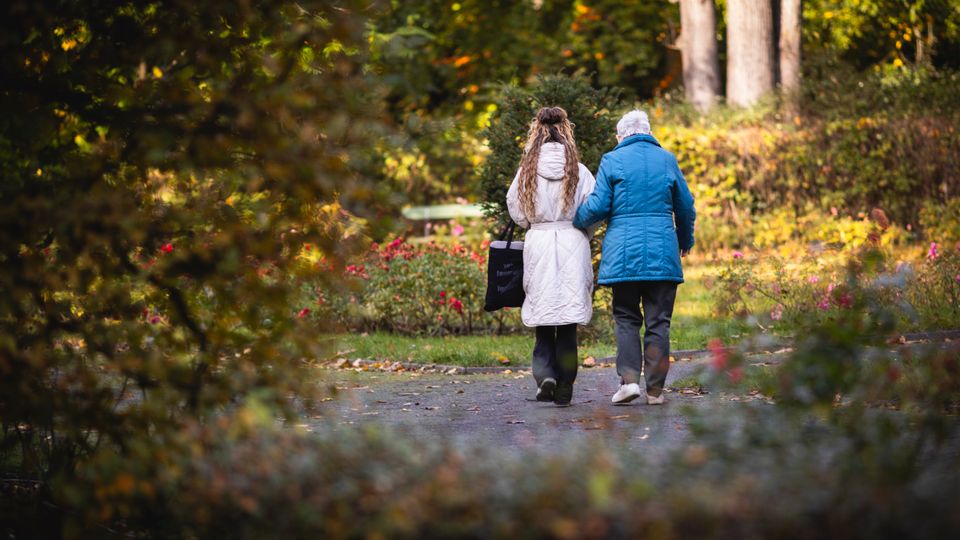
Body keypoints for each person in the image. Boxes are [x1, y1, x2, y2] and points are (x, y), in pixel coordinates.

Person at [573, 110, 696, 405]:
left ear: (621, 136)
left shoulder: (612, 160)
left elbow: (598, 206)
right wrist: (685, 240)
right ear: (648, 132)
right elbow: (686, 206)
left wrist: (575, 221)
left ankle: (629, 382)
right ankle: (655, 391)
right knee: (659, 322)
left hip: (623, 254)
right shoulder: (667, 159)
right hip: (662, 253)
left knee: (626, 318)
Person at [506, 106, 596, 406]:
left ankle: (545, 374)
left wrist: (534, 223)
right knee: (568, 318)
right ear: (566, 131)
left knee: (544, 314)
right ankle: (566, 381)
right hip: (573, 239)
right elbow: (592, 210)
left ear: (537, 132)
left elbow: (516, 210)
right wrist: (582, 231)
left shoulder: (526, 172)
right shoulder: (579, 171)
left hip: (540, 241)